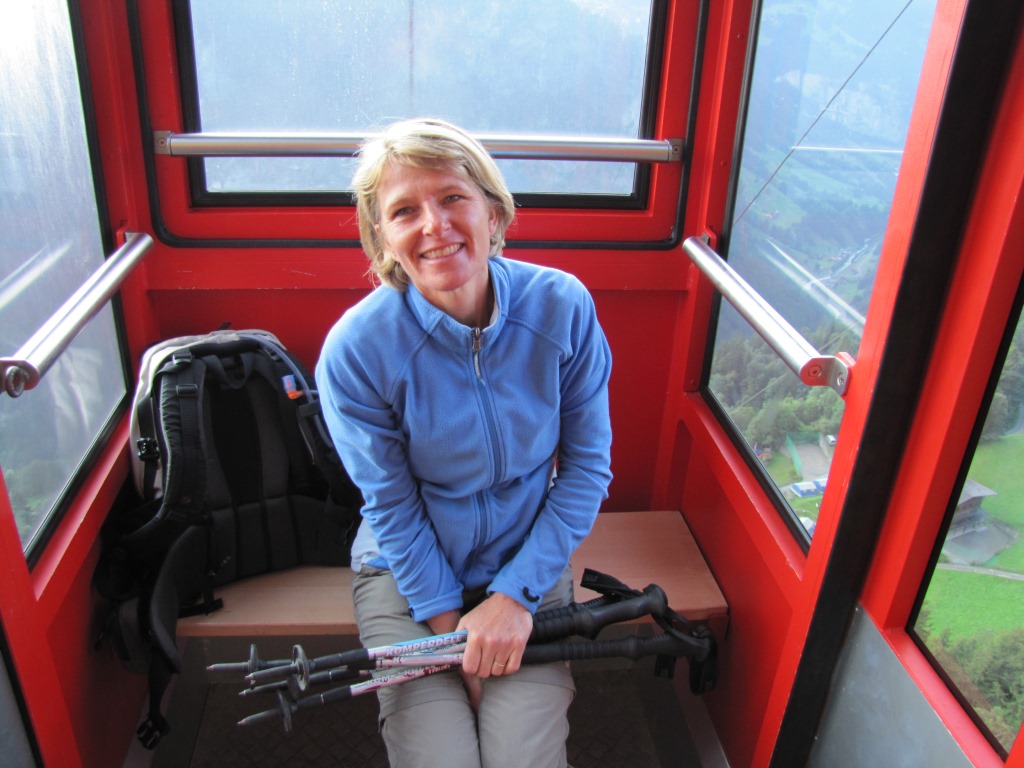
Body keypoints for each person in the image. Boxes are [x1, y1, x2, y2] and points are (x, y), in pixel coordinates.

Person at [315, 117, 613, 768]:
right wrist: (455, 636)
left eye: (453, 197)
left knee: (524, 758)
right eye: (404, 211)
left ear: (493, 212)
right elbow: (390, 504)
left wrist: (514, 598)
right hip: (406, 575)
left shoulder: (561, 307)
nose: (435, 225)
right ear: (382, 236)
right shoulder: (358, 350)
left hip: (528, 563)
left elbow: (587, 469)